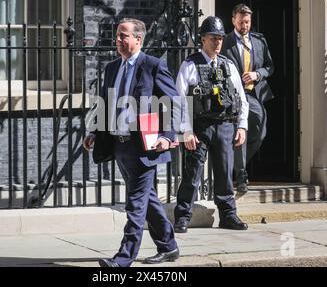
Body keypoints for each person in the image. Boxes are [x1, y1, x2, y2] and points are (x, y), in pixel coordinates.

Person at [83, 18, 179, 267]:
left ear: (139, 39)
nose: (119, 40)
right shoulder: (113, 67)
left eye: (124, 35)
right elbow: (104, 101)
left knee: (135, 203)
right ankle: (169, 246)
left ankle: (124, 258)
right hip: (119, 145)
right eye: (117, 35)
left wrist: (167, 136)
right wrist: (94, 131)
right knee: (147, 199)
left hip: (145, 146)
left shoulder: (153, 66)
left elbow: (172, 103)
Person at [173, 16, 249, 233]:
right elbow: (179, 100)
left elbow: (241, 98)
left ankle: (228, 216)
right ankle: (183, 216)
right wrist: (186, 131)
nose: (217, 42)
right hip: (199, 127)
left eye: (220, 38)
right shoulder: (190, 65)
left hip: (225, 126)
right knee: (192, 173)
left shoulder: (229, 65)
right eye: (213, 38)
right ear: (203, 39)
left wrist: (242, 126)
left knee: (225, 174)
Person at [221, 4, 275, 193]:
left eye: (248, 22)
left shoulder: (259, 40)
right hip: (235, 95)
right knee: (240, 130)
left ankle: (233, 163)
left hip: (255, 94)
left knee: (260, 132)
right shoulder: (225, 41)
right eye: (242, 21)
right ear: (233, 20)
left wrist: (257, 74)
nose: (245, 25)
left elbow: (269, 66)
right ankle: (241, 174)